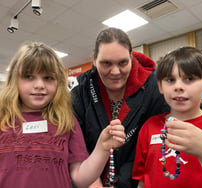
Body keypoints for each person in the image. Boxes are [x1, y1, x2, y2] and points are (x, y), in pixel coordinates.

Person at [0, 42, 125, 188]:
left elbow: (80, 178)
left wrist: (102, 148)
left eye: (48, 78)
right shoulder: (3, 121)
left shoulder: (66, 122)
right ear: (14, 80)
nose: (39, 85)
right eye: (29, 76)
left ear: (58, 82)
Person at [70, 27, 169, 187]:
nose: (115, 71)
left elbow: (155, 145)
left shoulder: (155, 89)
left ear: (131, 57)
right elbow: (77, 146)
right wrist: (93, 182)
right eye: (106, 63)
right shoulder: (80, 93)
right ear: (94, 60)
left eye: (123, 63)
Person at [132, 46, 202, 188]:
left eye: (189, 78)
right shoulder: (149, 127)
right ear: (160, 87)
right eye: (170, 80)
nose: (178, 87)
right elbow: (142, 179)